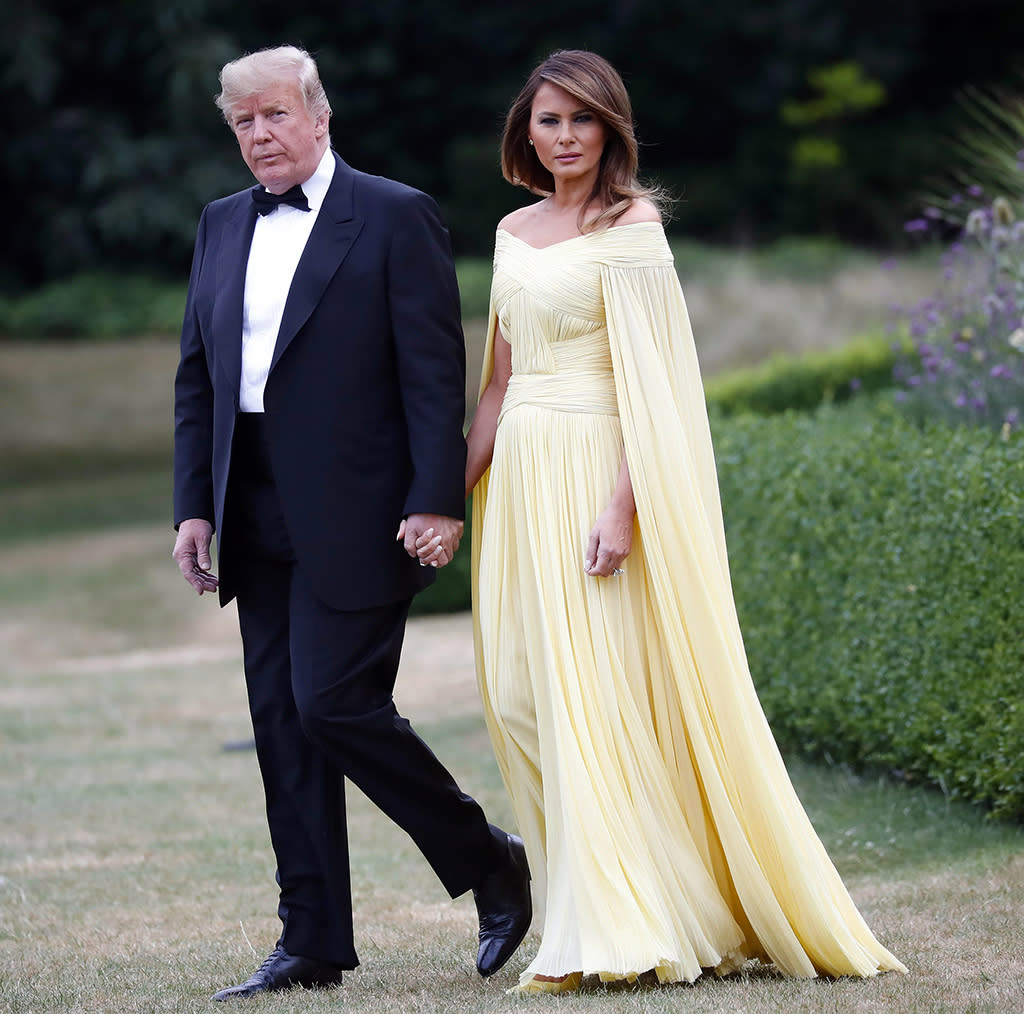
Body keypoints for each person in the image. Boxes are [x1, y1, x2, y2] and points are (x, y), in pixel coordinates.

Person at [464, 49, 907, 994]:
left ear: (611, 128)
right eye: (549, 120)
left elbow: (654, 385)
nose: (566, 136)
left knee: (598, 699)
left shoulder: (633, 224)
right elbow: (497, 383)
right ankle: (620, 893)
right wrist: (446, 496)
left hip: (596, 473)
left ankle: (624, 923)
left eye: (583, 120)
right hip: (520, 483)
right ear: (525, 131)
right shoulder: (508, 230)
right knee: (515, 696)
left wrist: (626, 506)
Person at [171, 45, 531, 1002]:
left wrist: (436, 498)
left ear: (319, 116)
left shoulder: (394, 214)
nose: (260, 136)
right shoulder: (217, 226)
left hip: (364, 512)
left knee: (334, 704)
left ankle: (488, 857)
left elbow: (432, 373)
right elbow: (198, 379)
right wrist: (194, 507)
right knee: (283, 728)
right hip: (248, 507)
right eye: (243, 123)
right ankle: (312, 943)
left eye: (276, 115)